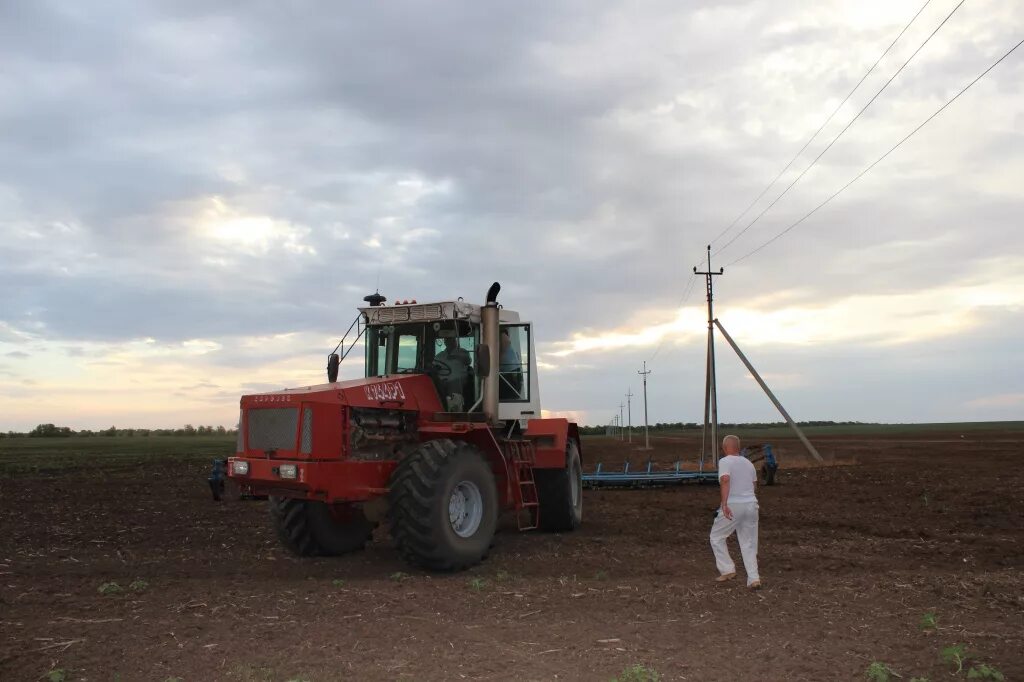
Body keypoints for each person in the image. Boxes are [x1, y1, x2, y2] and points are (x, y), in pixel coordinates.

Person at [709, 434, 761, 589]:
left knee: (716, 536)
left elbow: (725, 480)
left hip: (733, 505)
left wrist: (724, 504)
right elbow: (754, 485)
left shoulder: (725, 461)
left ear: (725, 448)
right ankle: (754, 579)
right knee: (749, 543)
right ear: (738, 447)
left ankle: (727, 569)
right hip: (751, 504)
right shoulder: (748, 463)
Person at [433, 337, 472, 410]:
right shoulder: (439, 356)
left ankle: (455, 409)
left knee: (454, 381)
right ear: (445, 341)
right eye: (447, 339)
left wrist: (456, 356)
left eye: (452, 339)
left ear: (455, 340)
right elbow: (434, 369)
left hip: (459, 383)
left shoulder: (463, 352)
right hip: (442, 383)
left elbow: (468, 361)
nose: (450, 341)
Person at [498, 329, 522, 399]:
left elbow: (506, 342)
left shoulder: (502, 335)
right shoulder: (504, 337)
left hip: (509, 373)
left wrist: (498, 364)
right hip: (511, 371)